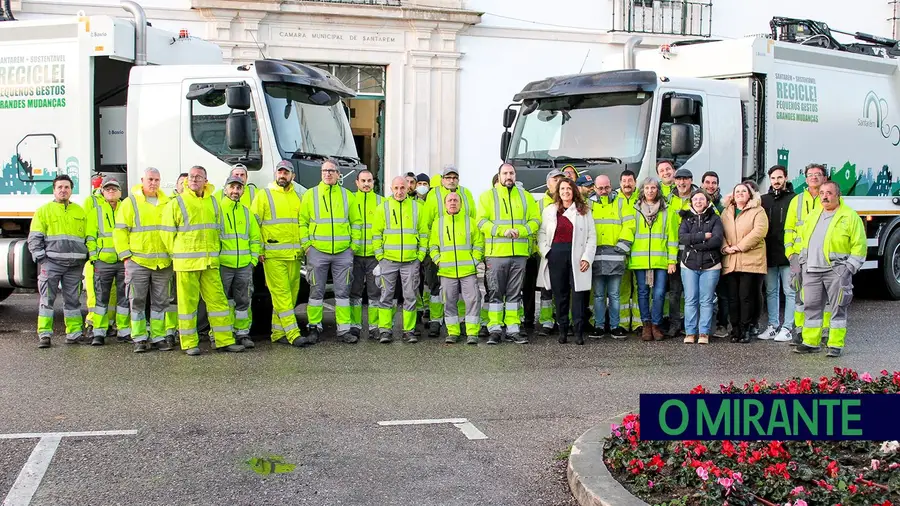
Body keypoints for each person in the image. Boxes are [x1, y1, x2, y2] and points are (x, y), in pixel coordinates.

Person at [161, 165, 244, 355]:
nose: (194, 179)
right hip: (187, 263)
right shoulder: (177, 202)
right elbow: (166, 234)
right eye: (191, 176)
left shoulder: (213, 202)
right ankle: (189, 343)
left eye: (199, 177)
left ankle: (224, 341)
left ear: (206, 181)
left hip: (209, 262)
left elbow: (219, 230)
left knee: (218, 302)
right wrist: (177, 255)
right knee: (187, 305)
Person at [793, 181, 865, 357]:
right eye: (822, 193)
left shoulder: (849, 216)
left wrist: (848, 269)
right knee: (811, 306)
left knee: (837, 307)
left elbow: (860, 246)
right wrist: (799, 266)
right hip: (811, 270)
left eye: (829, 193)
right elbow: (802, 241)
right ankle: (810, 342)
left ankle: (835, 344)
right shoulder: (813, 215)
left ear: (838, 195)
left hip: (837, 270)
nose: (825, 196)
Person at [298, 159, 361, 343]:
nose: (327, 173)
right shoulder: (310, 195)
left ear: (338, 174)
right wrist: (307, 247)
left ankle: (344, 330)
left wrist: (353, 247)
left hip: (343, 252)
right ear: (321, 173)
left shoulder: (347, 196)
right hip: (317, 251)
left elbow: (356, 223)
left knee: (343, 293)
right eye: (325, 170)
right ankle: (314, 327)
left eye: (331, 171)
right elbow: (302, 222)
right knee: (316, 292)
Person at [114, 167, 176, 352]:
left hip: (163, 263)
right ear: (142, 180)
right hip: (138, 262)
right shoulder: (130, 202)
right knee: (137, 301)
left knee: (161, 303)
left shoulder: (168, 202)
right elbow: (119, 231)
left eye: (157, 179)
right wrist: (125, 256)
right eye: (150, 179)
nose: (153, 183)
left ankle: (158, 337)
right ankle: (139, 338)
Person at [478, 163, 540, 345]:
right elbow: (481, 222)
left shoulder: (526, 196)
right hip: (496, 254)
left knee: (514, 294)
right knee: (495, 293)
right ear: (499, 176)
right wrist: (502, 231)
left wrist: (521, 230)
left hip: (519, 254)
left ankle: (513, 328)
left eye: (511, 173)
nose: (508, 176)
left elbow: (536, 220)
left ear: (515, 175)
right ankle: (495, 329)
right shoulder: (487, 197)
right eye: (505, 173)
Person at [28, 174, 89, 348]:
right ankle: (45, 335)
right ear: (54, 190)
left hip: (75, 266)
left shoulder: (80, 211)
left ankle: (74, 334)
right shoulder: (44, 211)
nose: (63, 190)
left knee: (73, 301)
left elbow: (86, 236)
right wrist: (41, 258)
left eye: (67, 187)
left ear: (71, 190)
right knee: (47, 300)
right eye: (60, 187)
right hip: (52, 264)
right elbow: (34, 238)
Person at [537, 178, 597, 345]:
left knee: (578, 294)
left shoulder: (584, 211)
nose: (565, 192)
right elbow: (541, 234)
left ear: (574, 191)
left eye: (568, 189)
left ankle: (578, 332)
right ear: (558, 191)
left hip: (577, 256)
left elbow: (592, 236)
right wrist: (546, 252)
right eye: (562, 189)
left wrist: (587, 257)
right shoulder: (549, 210)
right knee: (560, 294)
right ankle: (562, 330)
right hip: (556, 254)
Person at [252, 160, 305, 347]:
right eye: (280, 172)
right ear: (275, 174)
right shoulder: (263, 196)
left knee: (290, 296)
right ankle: (292, 333)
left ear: (293, 176)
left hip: (294, 256)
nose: (282, 175)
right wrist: (258, 250)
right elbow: (254, 225)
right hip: (273, 256)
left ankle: (277, 332)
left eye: (286, 173)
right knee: (282, 295)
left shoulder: (298, 197)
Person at [421, 165, 478, 337]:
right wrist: (433, 254)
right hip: (439, 251)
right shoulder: (433, 195)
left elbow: (472, 220)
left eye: (454, 177)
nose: (451, 180)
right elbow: (426, 223)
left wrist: (473, 258)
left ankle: (461, 321)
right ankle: (436, 321)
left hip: (463, 256)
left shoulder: (466, 193)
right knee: (437, 289)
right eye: (448, 177)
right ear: (442, 180)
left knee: (462, 293)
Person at [373, 176, 429, 343]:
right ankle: (385, 330)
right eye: (396, 188)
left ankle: (409, 331)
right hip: (388, 260)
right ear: (391, 189)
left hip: (411, 261)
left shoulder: (417, 208)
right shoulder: (382, 208)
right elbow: (376, 234)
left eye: (402, 188)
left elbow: (424, 234)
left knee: (410, 296)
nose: (399, 191)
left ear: (408, 189)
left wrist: (419, 256)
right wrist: (380, 256)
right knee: (386, 296)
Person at [623, 176, 677, 341]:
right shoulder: (634, 209)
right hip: (640, 260)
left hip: (660, 261)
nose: (650, 191)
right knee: (643, 293)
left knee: (660, 293)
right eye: (647, 188)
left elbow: (672, 237)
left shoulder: (668, 211)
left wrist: (672, 261)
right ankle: (646, 325)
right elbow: (629, 232)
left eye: (653, 188)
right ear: (642, 190)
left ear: (658, 190)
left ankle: (656, 324)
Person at [431, 192, 485, 344]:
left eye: (455, 200)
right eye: (450, 200)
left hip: (468, 271)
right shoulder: (438, 223)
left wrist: (474, 261)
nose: (453, 203)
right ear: (445, 204)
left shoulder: (470, 222)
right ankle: (453, 332)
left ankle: (472, 333)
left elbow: (479, 244)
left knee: (473, 300)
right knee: (449, 302)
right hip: (446, 271)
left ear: (461, 203)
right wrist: (438, 261)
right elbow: (433, 246)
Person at [784, 163, 828, 345]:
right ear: (805, 178)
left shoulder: (829, 199)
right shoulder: (797, 201)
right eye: (810, 174)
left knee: (824, 296)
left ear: (825, 178)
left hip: (822, 256)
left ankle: (825, 331)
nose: (814, 177)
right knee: (799, 293)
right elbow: (789, 228)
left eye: (818, 174)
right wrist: (790, 253)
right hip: (798, 257)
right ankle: (800, 330)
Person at [720, 182, 768, 343]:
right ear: (732, 195)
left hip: (750, 259)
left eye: (743, 191)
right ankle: (735, 329)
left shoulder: (758, 211)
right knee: (732, 297)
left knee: (745, 296)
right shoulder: (726, 212)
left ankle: (746, 328)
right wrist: (726, 247)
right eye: (737, 191)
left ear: (750, 194)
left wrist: (739, 247)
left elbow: (759, 231)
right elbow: (720, 232)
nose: (740, 193)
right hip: (731, 260)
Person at [85, 177, 130, 345]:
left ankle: (123, 330)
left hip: (123, 260)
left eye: (114, 189)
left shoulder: (126, 210)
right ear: (102, 192)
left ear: (120, 192)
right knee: (101, 298)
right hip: (103, 262)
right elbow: (90, 237)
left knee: (124, 298)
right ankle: (99, 331)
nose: (111, 191)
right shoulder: (95, 212)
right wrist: (94, 258)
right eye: (108, 189)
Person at [219, 175, 260, 349]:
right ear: (225, 189)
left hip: (244, 266)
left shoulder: (246, 212)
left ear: (243, 191)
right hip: (223, 265)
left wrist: (252, 260)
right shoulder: (218, 210)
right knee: (222, 302)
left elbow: (255, 239)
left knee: (243, 301)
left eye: (239, 188)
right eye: (232, 187)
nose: (235, 191)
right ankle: (222, 334)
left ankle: (242, 333)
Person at [678, 189, 724, 345]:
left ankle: (703, 333)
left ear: (707, 202)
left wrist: (694, 244)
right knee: (690, 299)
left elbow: (717, 240)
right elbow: (682, 238)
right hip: (689, 265)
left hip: (710, 265)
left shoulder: (715, 219)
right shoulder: (686, 219)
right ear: (691, 202)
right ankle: (690, 333)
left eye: (701, 199)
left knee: (706, 300)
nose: (698, 201)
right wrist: (703, 236)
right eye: (695, 199)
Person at [589, 175, 631, 339]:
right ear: (594, 188)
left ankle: (615, 326)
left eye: (606, 187)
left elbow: (629, 225)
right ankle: (598, 326)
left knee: (614, 294)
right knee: (598, 295)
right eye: (600, 188)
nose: (604, 191)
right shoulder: (589, 204)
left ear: (611, 185)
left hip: (615, 255)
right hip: (596, 255)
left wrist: (621, 246)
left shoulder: (621, 202)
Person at [759, 165, 796, 342]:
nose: (776, 181)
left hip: (788, 253)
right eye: (773, 178)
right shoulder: (763, 200)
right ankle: (773, 325)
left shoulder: (795, 199)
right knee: (771, 291)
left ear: (786, 178)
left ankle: (788, 327)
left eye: (780, 177)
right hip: (769, 253)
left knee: (789, 291)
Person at [350, 169, 384, 339]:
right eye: (363, 181)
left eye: (369, 181)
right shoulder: (349, 200)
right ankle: (355, 326)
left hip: (374, 256)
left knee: (374, 292)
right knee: (354, 292)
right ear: (357, 182)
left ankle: (374, 327)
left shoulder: (381, 202)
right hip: (354, 256)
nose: (366, 184)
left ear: (373, 182)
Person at [665, 167, 698, 337]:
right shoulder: (668, 199)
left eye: (685, 179)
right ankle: (674, 324)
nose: (682, 182)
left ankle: (691, 324)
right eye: (679, 179)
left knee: (692, 291)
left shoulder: (699, 198)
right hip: (674, 253)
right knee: (674, 292)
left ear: (691, 180)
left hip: (694, 252)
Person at [534, 169, 565, 336]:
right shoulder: (539, 204)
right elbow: (538, 230)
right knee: (546, 289)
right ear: (548, 184)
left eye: (561, 179)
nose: (558, 182)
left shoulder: (568, 202)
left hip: (564, 252)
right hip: (546, 253)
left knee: (562, 288)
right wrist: (545, 251)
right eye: (555, 179)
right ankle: (546, 322)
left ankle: (562, 320)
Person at [615, 170, 642, 335]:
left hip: (639, 251)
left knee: (641, 289)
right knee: (622, 289)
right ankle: (623, 323)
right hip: (621, 251)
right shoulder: (614, 200)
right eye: (624, 181)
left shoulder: (642, 199)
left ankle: (638, 323)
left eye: (630, 181)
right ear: (620, 183)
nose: (627, 184)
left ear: (635, 182)